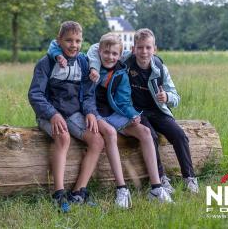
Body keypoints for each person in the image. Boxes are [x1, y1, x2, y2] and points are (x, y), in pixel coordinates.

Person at [49, 32, 173, 206]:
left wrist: (132, 115)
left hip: (112, 111)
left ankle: (156, 187)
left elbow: (123, 100)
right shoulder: (89, 63)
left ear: (120, 54)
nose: (110, 57)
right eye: (106, 52)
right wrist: (58, 55)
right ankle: (121, 189)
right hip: (92, 111)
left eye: (115, 53)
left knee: (144, 132)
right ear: (99, 51)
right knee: (110, 132)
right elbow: (55, 45)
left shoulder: (121, 71)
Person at [87, 28, 199, 194]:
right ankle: (161, 178)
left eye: (148, 47)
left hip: (158, 110)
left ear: (155, 49)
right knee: (150, 135)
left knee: (179, 134)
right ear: (133, 49)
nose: (144, 51)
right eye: (140, 47)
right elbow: (97, 47)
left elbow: (176, 96)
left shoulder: (160, 68)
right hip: (137, 111)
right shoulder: (126, 58)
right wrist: (95, 68)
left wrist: (167, 97)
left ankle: (189, 177)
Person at [28, 21, 105, 213]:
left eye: (78, 41)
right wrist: (52, 114)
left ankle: (79, 192)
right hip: (49, 113)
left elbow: (87, 94)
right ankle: (59, 194)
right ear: (59, 41)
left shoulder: (83, 62)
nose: (74, 45)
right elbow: (35, 94)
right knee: (63, 137)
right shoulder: (46, 63)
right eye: (69, 40)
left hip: (73, 113)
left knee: (97, 140)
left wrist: (90, 112)